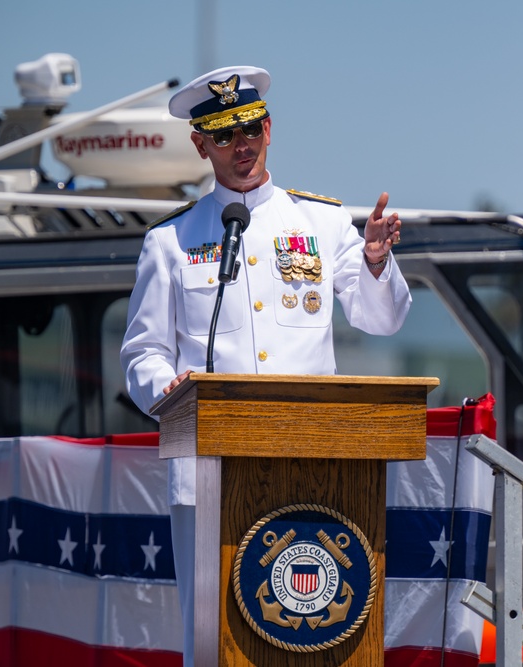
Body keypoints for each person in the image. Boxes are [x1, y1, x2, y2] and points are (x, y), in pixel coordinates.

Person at [119, 65, 411, 666]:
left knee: (317, 629)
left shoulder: (322, 222)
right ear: (200, 145)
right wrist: (167, 389)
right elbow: (141, 353)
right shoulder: (170, 241)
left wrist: (378, 263)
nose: (241, 145)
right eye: (224, 135)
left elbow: (379, 320)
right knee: (213, 640)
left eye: (250, 128)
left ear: (270, 128)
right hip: (208, 471)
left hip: (317, 467)